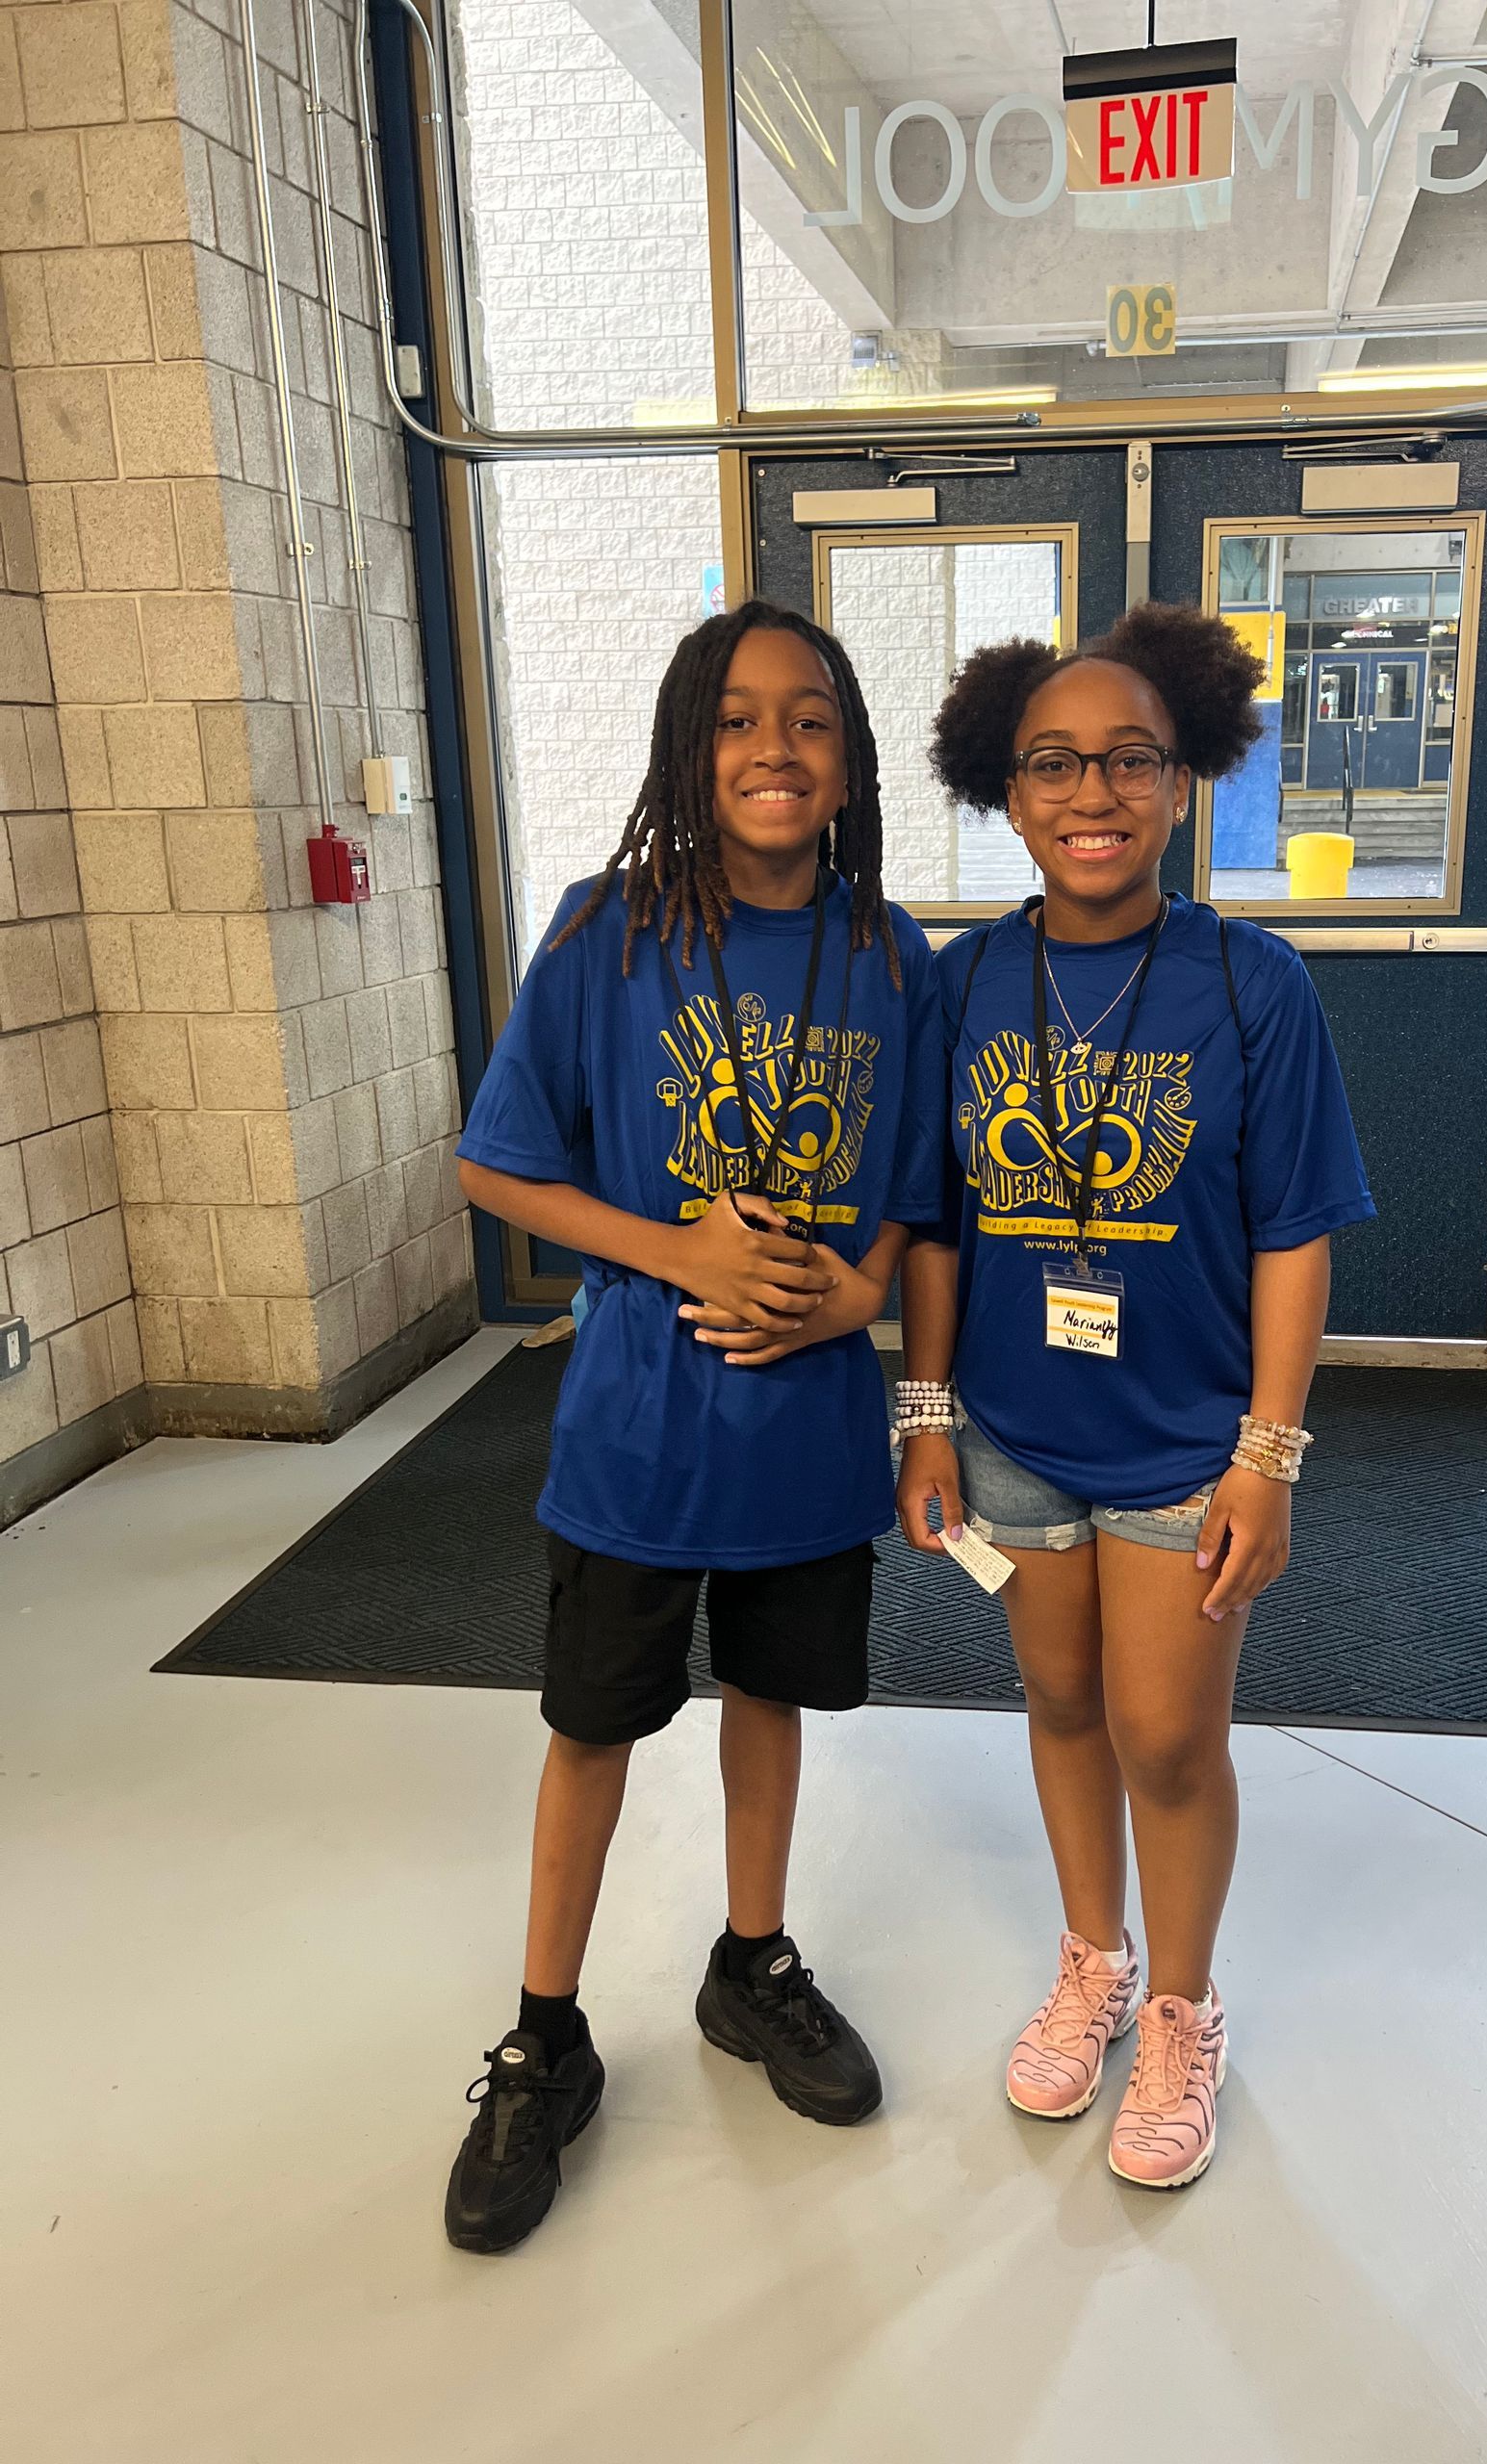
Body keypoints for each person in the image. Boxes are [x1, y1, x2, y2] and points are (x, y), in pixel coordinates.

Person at [447, 602, 942, 2253]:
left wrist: (854, 1294)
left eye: (810, 720)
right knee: (591, 1729)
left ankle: (753, 1964)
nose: (775, 748)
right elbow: (497, 1165)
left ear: (851, 760)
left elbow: (923, 1197)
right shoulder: (605, 934)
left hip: (804, 1441)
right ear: (689, 749)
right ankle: (546, 2033)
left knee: (772, 1700)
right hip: (638, 1440)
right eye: (738, 719)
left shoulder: (891, 958)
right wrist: (682, 1252)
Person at [898, 603, 1373, 2192]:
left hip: (1191, 1444)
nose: (1090, 793)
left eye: (1128, 762)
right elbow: (940, 1227)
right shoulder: (964, 983)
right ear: (1005, 791)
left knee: (1169, 1735)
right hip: (1020, 1442)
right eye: (1053, 765)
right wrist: (928, 1417)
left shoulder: (1252, 984)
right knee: (1064, 1706)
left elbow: (1297, 1234)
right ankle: (1092, 1963)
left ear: (1186, 782)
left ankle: (1179, 2006)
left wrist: (1270, 1458)